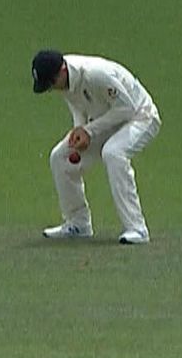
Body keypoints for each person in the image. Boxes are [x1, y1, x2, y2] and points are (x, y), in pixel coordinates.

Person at [31, 49, 161, 244]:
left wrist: (89, 131)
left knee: (113, 153)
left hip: (141, 117)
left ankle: (137, 228)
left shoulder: (95, 74)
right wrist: (79, 131)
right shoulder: (64, 81)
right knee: (59, 157)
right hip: (107, 119)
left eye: (51, 83)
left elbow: (127, 109)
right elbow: (78, 107)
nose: (52, 88)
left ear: (62, 70)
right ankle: (78, 224)